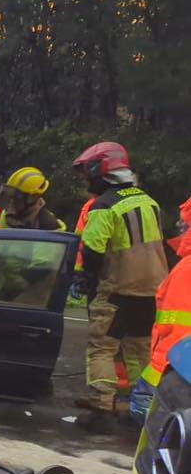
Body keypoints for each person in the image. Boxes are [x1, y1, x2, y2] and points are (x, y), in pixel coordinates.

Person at [72, 141, 168, 414]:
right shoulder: (148, 201)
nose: (86, 180)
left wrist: (83, 277)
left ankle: (101, 402)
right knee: (140, 349)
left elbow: (92, 249)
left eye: (87, 174)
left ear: (101, 172)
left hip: (117, 288)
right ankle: (142, 404)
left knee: (101, 347)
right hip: (151, 289)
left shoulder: (103, 205)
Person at [131, 195, 191, 424]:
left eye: (184, 221)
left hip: (172, 372)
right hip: (176, 369)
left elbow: (175, 327)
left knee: (157, 437)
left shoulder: (187, 269)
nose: (179, 226)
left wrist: (156, 377)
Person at [0, 167, 66, 231]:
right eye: (10, 196)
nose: (12, 201)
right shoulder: (6, 217)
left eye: (16, 197)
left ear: (32, 198)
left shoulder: (51, 226)